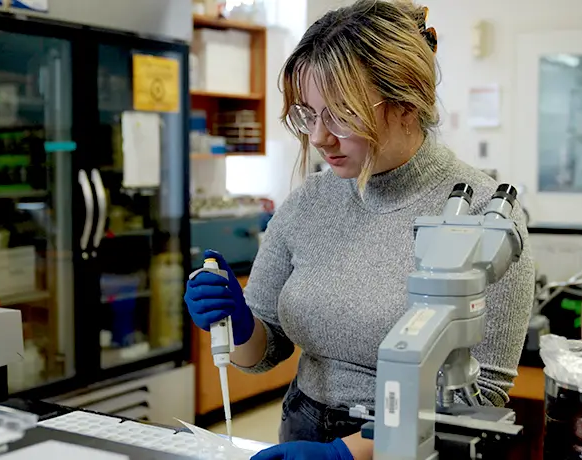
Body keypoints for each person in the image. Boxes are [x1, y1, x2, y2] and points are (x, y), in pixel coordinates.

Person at [183, 1, 535, 459]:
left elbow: (481, 395)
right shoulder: (309, 202)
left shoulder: (486, 218)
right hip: (303, 431)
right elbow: (261, 356)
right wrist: (239, 323)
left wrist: (349, 454)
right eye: (309, 114)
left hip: (407, 448)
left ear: (406, 103)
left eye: (341, 115)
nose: (319, 138)